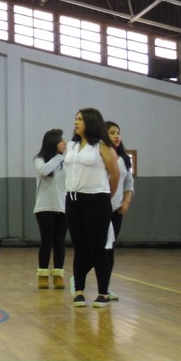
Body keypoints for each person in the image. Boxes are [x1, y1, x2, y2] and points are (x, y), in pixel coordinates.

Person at [64, 108, 119, 308]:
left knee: (97, 248)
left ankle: (103, 293)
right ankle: (79, 291)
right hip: (73, 200)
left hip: (97, 201)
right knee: (79, 247)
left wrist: (105, 197)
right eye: (75, 118)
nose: (76, 122)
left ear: (90, 122)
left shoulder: (103, 147)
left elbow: (115, 175)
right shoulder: (71, 145)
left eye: (80, 119)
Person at [33, 129, 68, 289]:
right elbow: (44, 170)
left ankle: (58, 275)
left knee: (60, 242)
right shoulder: (39, 159)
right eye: (61, 141)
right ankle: (43, 275)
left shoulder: (66, 162)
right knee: (46, 241)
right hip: (44, 207)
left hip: (63, 207)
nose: (65, 144)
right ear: (53, 142)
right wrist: (59, 157)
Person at [105, 120, 135, 301]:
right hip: (99, 210)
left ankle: (105, 287)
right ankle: (79, 280)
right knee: (98, 249)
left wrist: (126, 201)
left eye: (118, 132)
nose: (116, 136)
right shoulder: (99, 156)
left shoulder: (123, 159)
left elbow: (129, 183)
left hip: (115, 211)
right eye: (112, 132)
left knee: (110, 249)